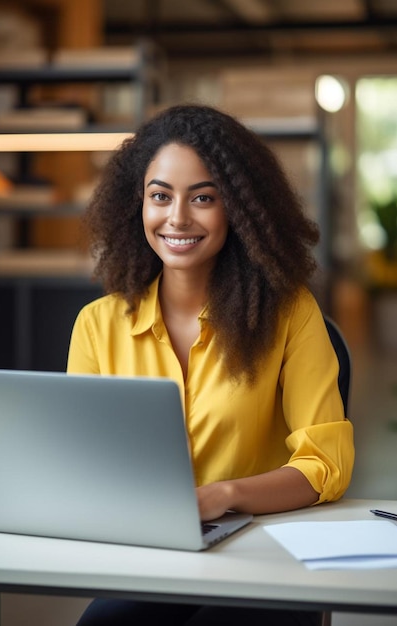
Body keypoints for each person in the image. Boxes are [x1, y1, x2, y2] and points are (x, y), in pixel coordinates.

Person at [67, 104, 354, 626]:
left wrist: (223, 497)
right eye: (160, 196)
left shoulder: (290, 312)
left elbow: (324, 465)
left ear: (239, 210)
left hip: (264, 555)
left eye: (203, 198)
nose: (177, 218)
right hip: (153, 557)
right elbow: (85, 467)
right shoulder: (97, 325)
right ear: (138, 205)